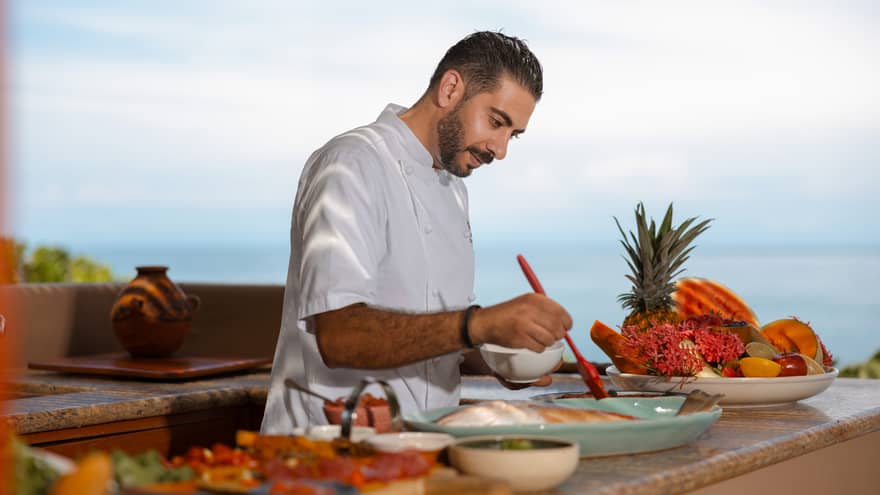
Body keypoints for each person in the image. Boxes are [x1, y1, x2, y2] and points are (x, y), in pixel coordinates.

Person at [261, 31, 572, 434]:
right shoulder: (352, 163)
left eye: (513, 134)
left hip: (417, 442)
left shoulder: (453, 190)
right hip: (326, 447)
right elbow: (339, 336)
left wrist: (499, 353)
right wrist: (480, 324)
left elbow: (431, 336)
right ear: (450, 89)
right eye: (496, 122)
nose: (501, 149)